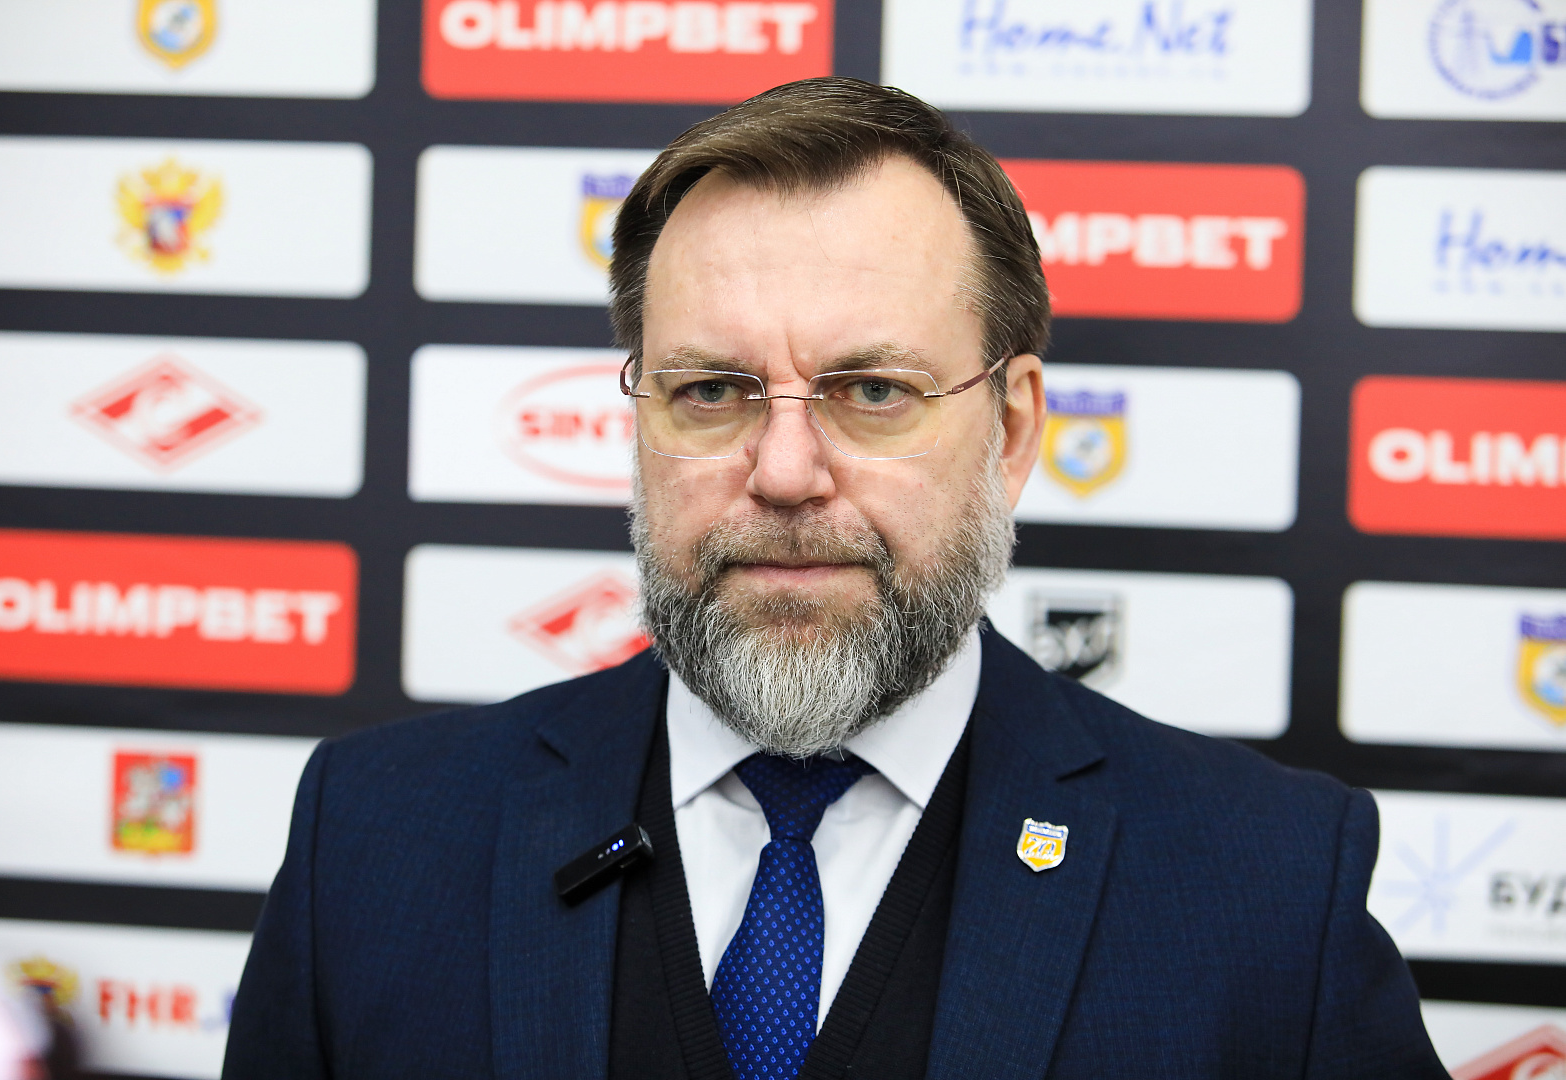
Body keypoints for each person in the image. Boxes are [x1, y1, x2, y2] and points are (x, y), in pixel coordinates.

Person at [224, 78, 1449, 1079]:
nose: (785, 473)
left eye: (872, 390)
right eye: (712, 391)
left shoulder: (1268, 886)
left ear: (1013, 428)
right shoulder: (373, 844)